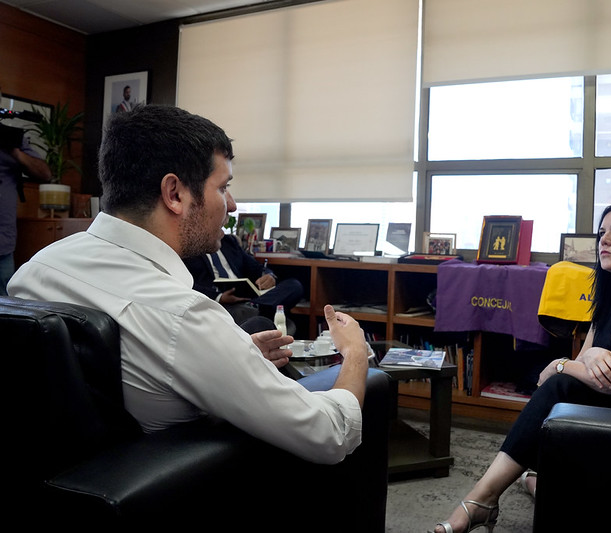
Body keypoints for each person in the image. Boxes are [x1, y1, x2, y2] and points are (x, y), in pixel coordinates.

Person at [8, 104, 371, 464]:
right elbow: (331, 434)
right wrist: (354, 353)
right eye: (223, 187)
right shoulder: (184, 316)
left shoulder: (36, 268)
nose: (232, 205)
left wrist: (232, 355)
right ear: (175, 194)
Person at [431, 200, 611, 533]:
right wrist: (585, 358)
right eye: (602, 233)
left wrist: (560, 365)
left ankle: (484, 499)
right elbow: (585, 359)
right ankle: (517, 486)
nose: (604, 240)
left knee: (560, 385)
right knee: (561, 385)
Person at [183, 233, 303, 326]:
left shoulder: (228, 241)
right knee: (264, 315)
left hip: (249, 297)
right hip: (220, 300)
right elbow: (188, 284)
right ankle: (259, 313)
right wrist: (219, 297)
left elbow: (256, 267)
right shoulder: (190, 246)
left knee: (294, 285)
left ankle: (255, 308)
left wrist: (269, 275)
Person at [0, 85, 52, 295]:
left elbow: (45, 173)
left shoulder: (10, 138)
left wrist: (15, 152)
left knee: (8, 306)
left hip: (3, 245)